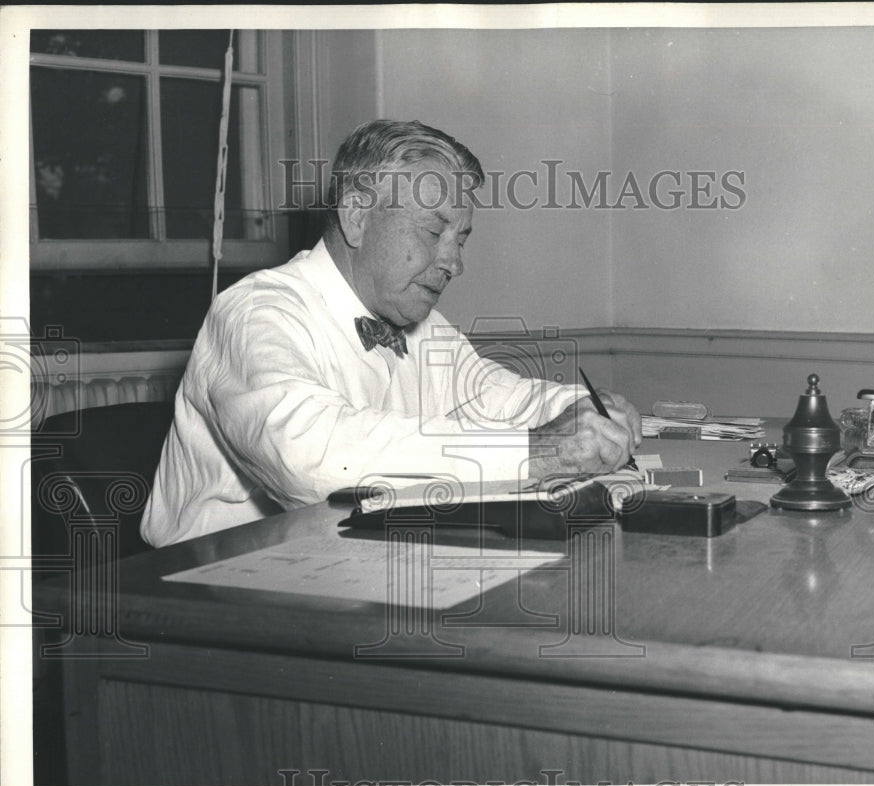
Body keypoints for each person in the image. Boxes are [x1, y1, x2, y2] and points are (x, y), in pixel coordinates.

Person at [141, 119, 641, 547]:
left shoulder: (416, 323)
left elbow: (499, 396)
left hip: (345, 564)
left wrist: (584, 411)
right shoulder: (255, 312)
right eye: (432, 232)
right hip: (213, 588)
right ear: (357, 216)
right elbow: (308, 459)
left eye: (461, 239)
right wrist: (539, 450)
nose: (454, 262)